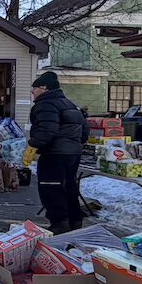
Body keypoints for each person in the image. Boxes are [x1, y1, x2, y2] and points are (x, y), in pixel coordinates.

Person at [27, 71, 89, 234]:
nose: (32, 92)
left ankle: (59, 223)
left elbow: (47, 130)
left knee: (51, 188)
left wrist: (32, 145)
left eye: (34, 88)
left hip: (54, 154)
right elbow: (85, 131)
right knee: (69, 186)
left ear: (44, 88)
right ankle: (75, 220)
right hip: (72, 154)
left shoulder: (46, 104)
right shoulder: (70, 104)